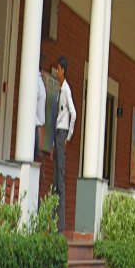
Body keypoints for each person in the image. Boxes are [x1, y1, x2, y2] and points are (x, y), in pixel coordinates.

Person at [53, 55, 77, 232]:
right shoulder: (60, 89)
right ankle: (54, 221)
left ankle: (60, 226)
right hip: (57, 135)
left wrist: (68, 137)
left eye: (58, 69)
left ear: (63, 70)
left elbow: (73, 114)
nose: (56, 71)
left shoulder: (66, 90)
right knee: (55, 179)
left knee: (60, 180)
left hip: (62, 133)